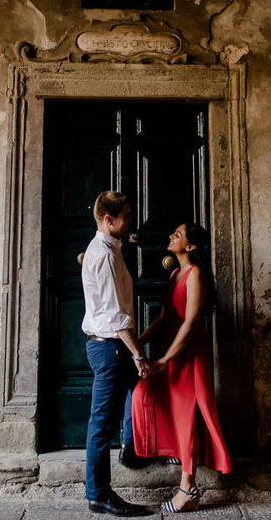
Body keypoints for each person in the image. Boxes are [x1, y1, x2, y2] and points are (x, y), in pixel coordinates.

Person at [132, 222, 233, 513]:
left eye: (177, 234)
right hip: (169, 352)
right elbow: (164, 318)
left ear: (189, 247)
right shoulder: (176, 273)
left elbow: (190, 323)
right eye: (173, 231)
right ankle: (177, 452)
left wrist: (164, 361)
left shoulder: (195, 275)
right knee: (144, 395)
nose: (170, 235)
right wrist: (137, 342)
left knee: (186, 417)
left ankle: (188, 489)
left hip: (187, 355)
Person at [81, 191, 153, 517]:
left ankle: (132, 449)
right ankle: (98, 494)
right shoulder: (105, 255)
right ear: (108, 220)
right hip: (109, 346)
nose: (131, 221)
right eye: (125, 216)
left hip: (112, 345)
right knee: (100, 424)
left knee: (139, 392)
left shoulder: (111, 249)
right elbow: (114, 316)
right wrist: (139, 354)